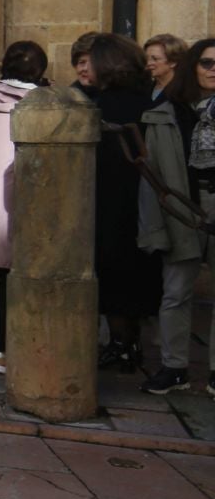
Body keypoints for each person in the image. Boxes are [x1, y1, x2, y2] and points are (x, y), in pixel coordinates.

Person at [138, 37, 214, 395]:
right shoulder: (168, 111)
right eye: (207, 63)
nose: (213, 71)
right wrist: (153, 225)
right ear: (193, 66)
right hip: (183, 205)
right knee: (176, 291)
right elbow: (151, 175)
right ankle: (175, 367)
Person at [87, 33, 162, 372]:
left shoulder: (99, 109)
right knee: (137, 271)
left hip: (110, 201)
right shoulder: (150, 103)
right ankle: (130, 343)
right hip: (145, 201)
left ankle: (122, 344)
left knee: (115, 273)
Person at [144, 33, 185, 102]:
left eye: (155, 59)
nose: (148, 63)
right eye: (146, 58)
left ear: (173, 62)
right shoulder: (144, 89)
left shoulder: (184, 92)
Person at [70, 31, 100, 95]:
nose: (85, 68)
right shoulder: (69, 97)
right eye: (82, 62)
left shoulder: (117, 97)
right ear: (75, 66)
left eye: (93, 62)